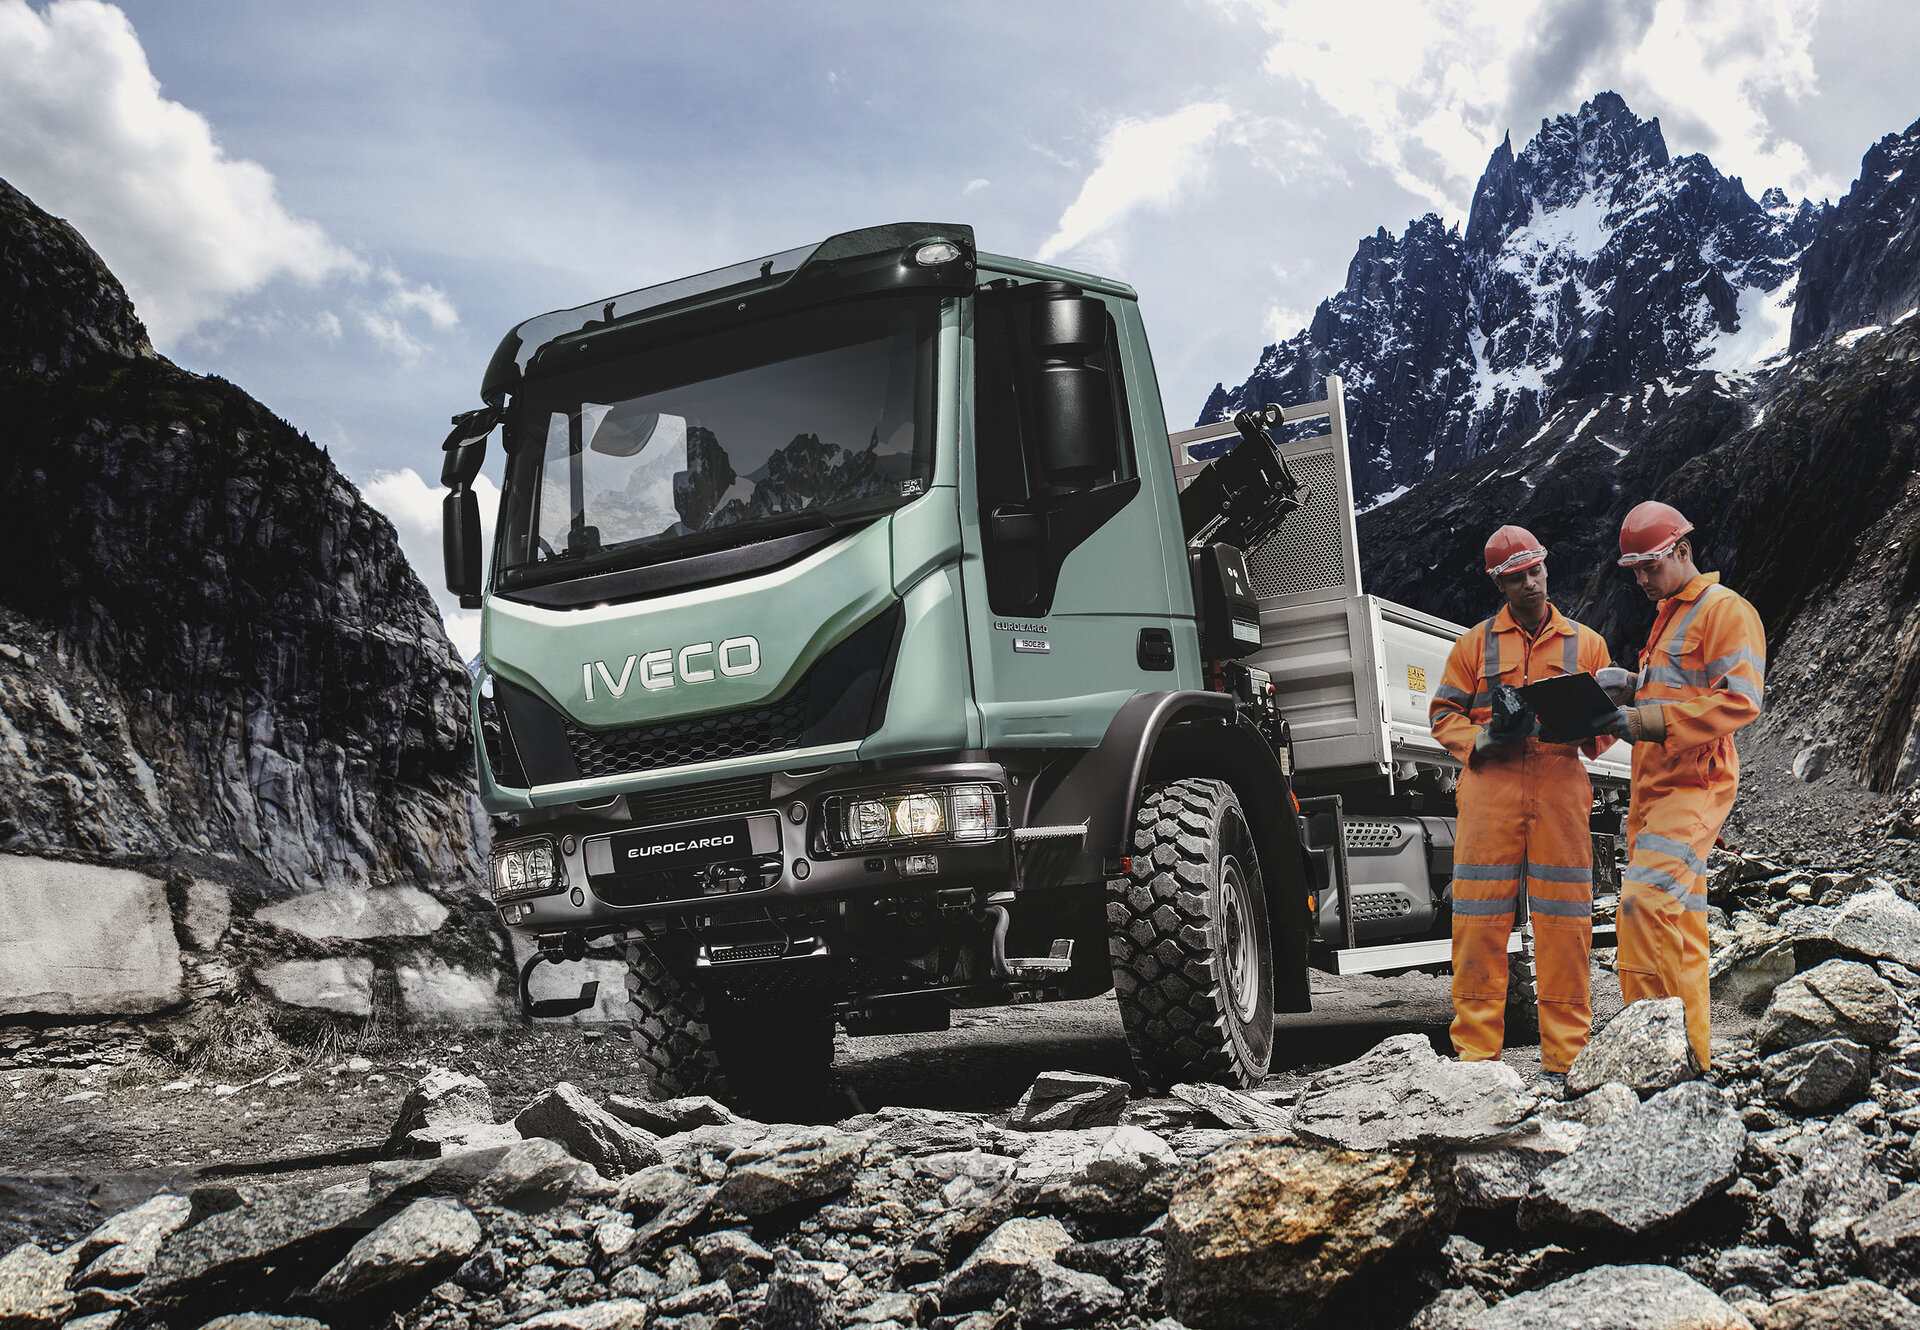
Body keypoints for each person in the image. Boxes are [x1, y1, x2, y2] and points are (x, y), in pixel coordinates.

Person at [1430, 525, 1613, 1088]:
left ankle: (1567, 1059)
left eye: (1535, 571)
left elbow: (1605, 729)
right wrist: (1485, 738)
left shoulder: (1587, 644)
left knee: (1565, 925)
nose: (1530, 583)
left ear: (1546, 567)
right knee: (1478, 925)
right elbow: (1443, 716)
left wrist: (1578, 726)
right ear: (1500, 584)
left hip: (1560, 785)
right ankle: (1476, 1063)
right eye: (1517, 578)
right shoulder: (1473, 646)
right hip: (1491, 787)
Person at [1608, 501, 1766, 1070]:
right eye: (1634, 571)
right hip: (1655, 790)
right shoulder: (1670, 616)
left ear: (1682, 550)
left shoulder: (1724, 609)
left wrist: (1640, 720)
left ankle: (1651, 1060)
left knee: (1643, 908)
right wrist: (1632, 684)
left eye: (1650, 566)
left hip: (1693, 784)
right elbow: (1680, 688)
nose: (1642, 580)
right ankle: (1692, 1061)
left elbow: (1741, 699)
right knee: (1679, 928)